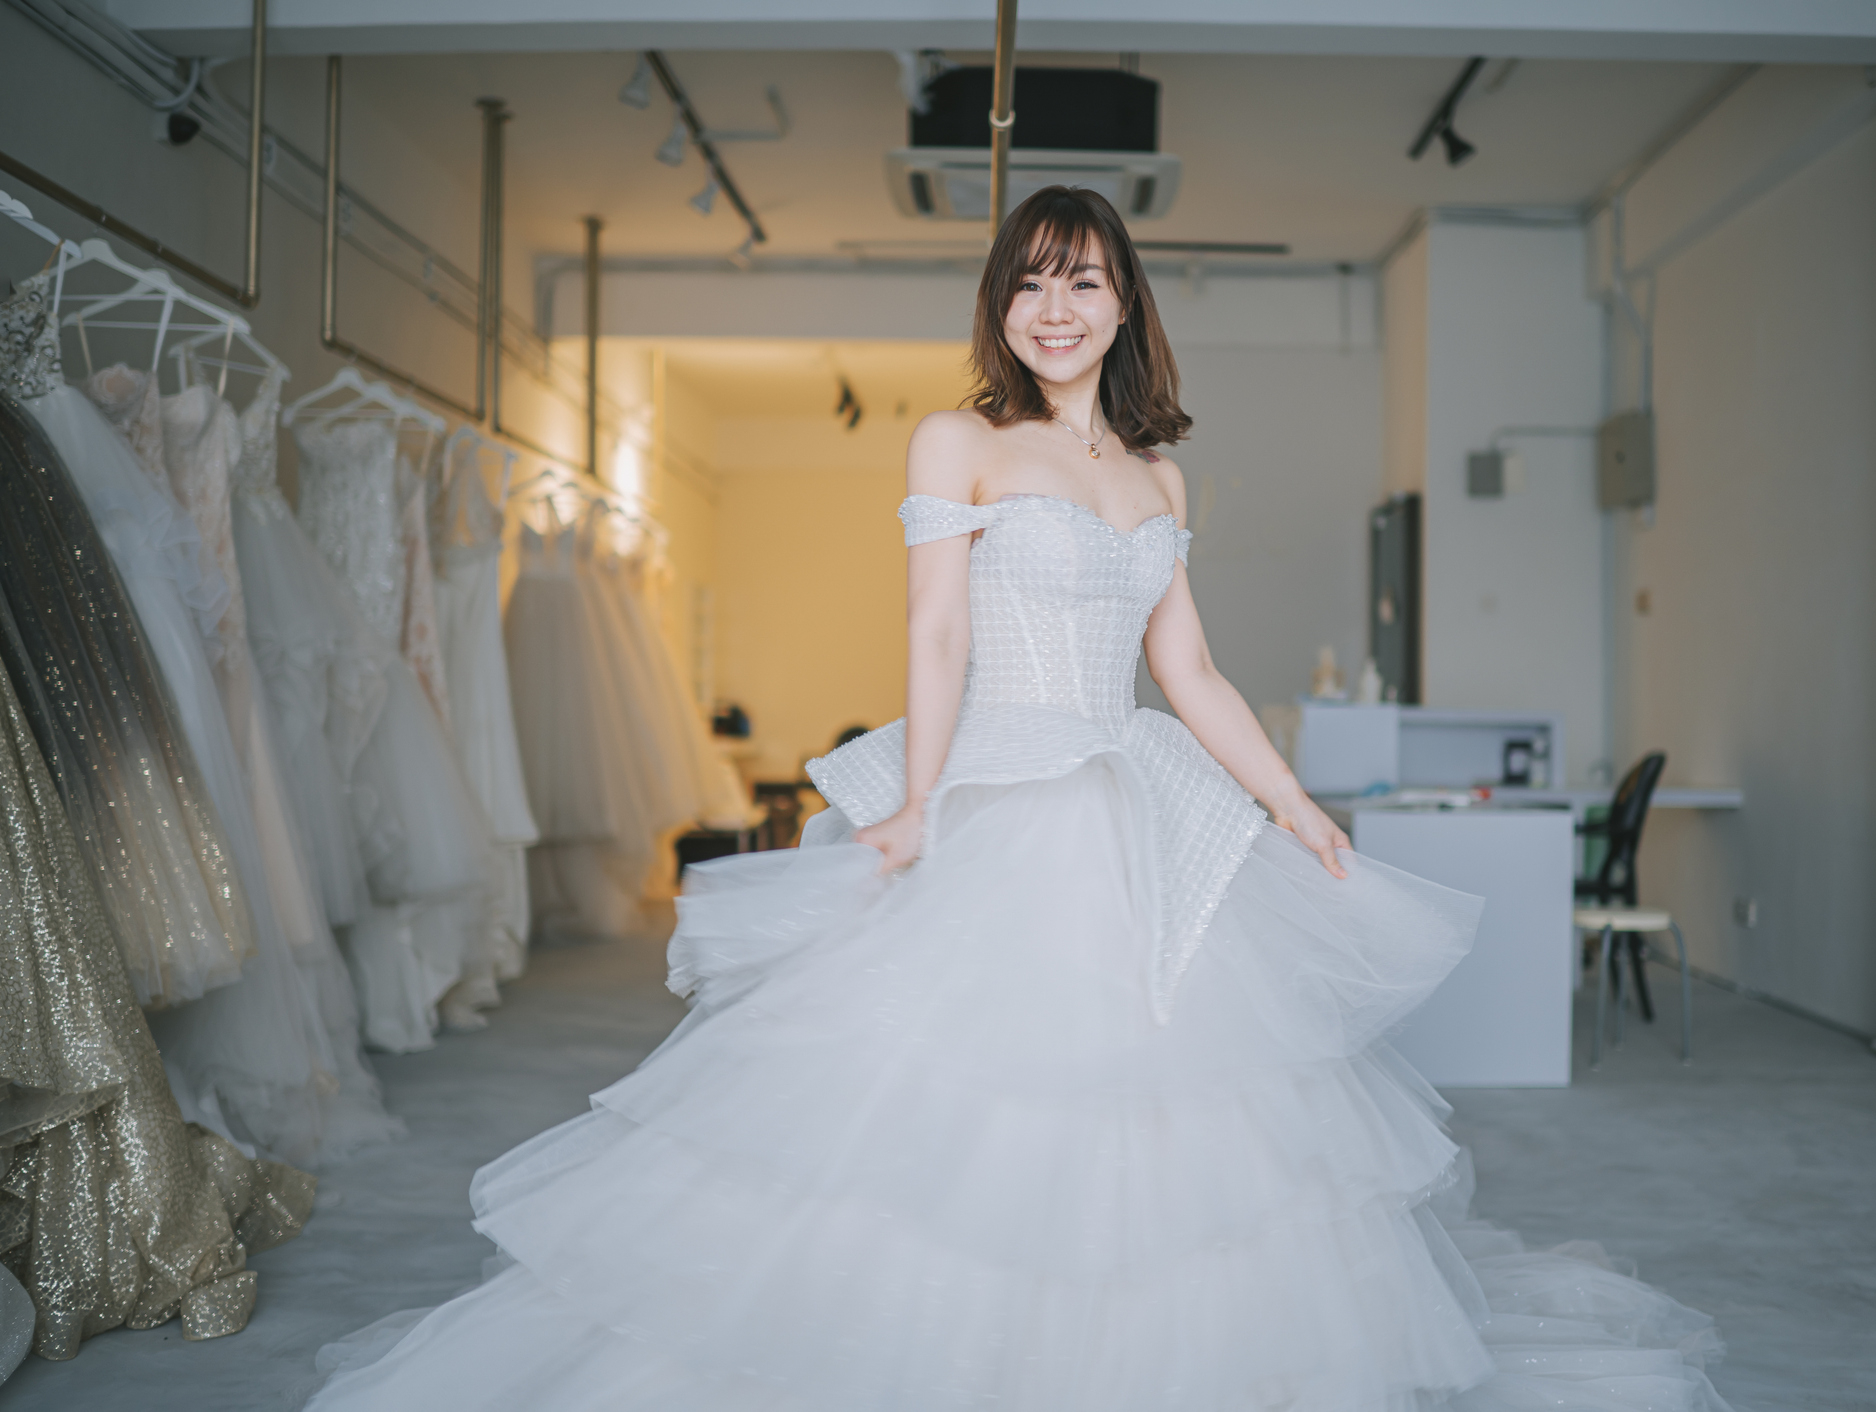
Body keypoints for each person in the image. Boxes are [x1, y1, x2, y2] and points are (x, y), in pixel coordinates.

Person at [305, 187, 1732, 1411]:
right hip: (999, 790)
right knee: (947, 1111)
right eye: (1032, 282)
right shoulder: (957, 441)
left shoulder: (1161, 476)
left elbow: (1191, 670)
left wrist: (1291, 807)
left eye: (1085, 280)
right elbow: (934, 634)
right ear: (1003, 306)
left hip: (1131, 802)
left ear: (1124, 307)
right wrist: (919, 802)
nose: (1057, 307)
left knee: (1166, 1117)